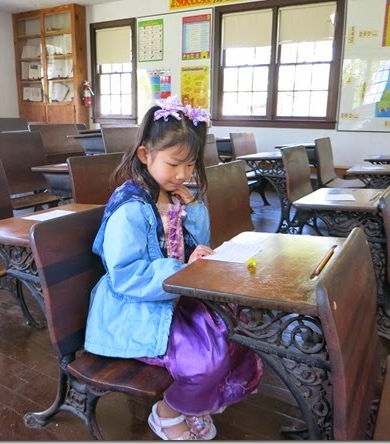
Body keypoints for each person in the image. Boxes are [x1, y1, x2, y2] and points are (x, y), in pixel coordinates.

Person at [84, 96, 264, 440]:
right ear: (145, 155)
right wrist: (179, 270)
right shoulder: (130, 207)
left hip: (175, 293)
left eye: (191, 164)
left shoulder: (174, 194)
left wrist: (193, 206)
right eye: (174, 164)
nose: (183, 174)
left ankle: (194, 403)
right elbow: (125, 275)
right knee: (206, 358)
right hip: (136, 306)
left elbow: (198, 241)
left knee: (239, 330)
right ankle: (168, 410)